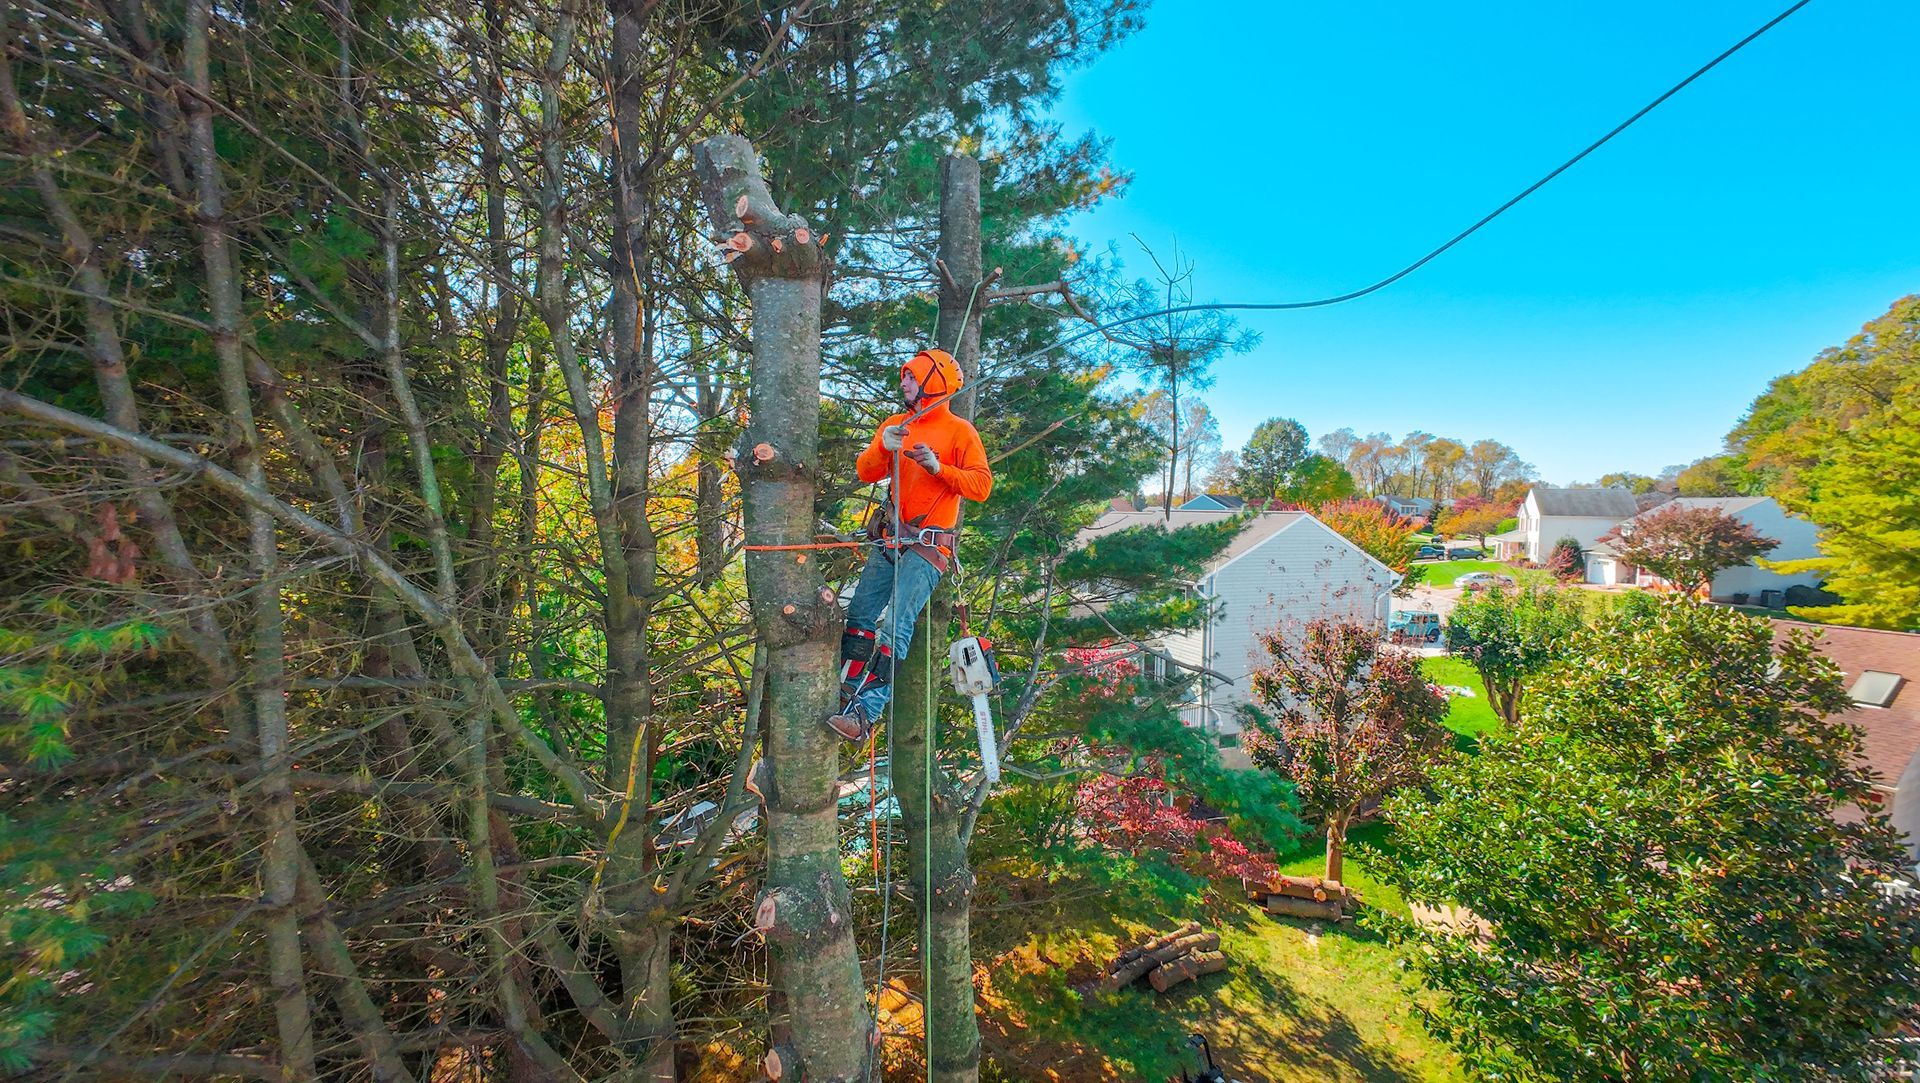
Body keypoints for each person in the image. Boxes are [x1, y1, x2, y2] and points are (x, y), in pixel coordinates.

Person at [828, 348, 992, 741]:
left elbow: (981, 486)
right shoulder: (897, 425)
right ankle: (846, 690)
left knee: (895, 628)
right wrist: (884, 445)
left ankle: (866, 713)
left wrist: (940, 469)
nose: (903, 383)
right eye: (905, 377)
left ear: (933, 382)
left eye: (911, 377)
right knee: (861, 616)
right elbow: (866, 471)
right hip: (890, 537)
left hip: (927, 549)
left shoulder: (959, 432)